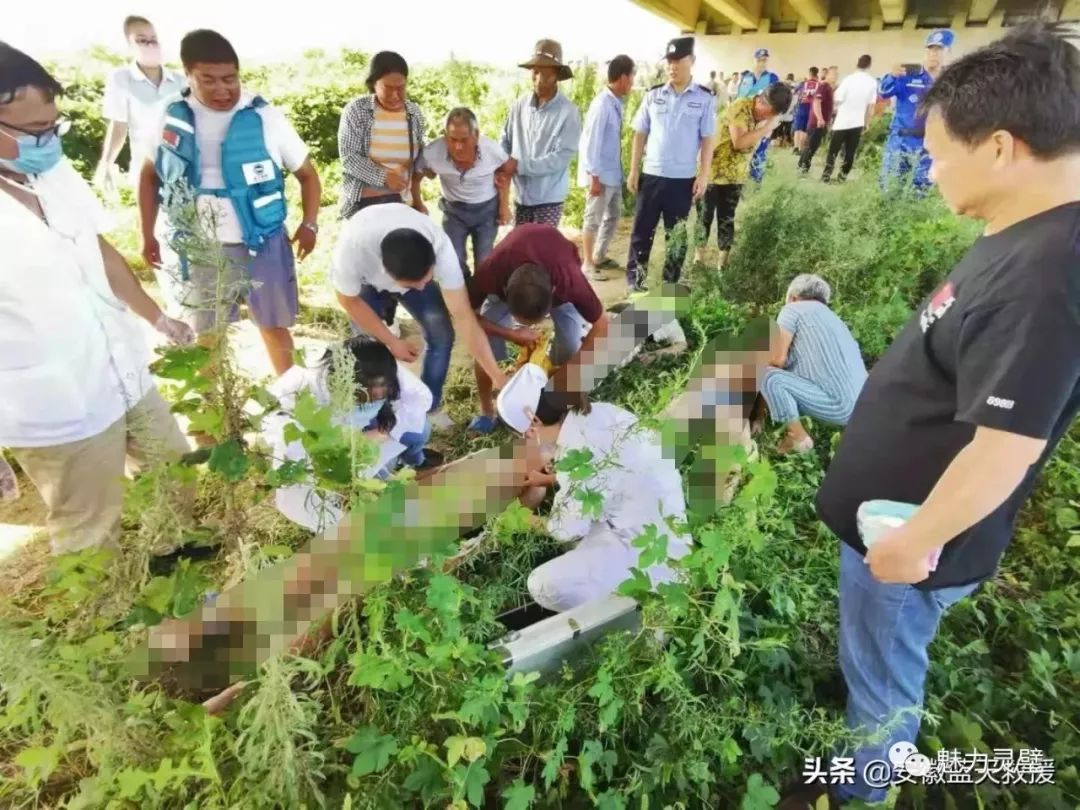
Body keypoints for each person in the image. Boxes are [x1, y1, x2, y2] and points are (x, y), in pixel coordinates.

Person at [784, 23, 1080, 809]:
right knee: (874, 671)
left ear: (1001, 147)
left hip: (906, 547)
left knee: (884, 698)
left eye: (939, 151)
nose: (927, 164)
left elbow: (1006, 448)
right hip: (891, 533)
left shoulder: (1048, 274)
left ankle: (864, 792)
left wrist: (912, 542)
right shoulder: (1019, 234)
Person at [0, 43, 193, 555]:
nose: (49, 141)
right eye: (33, 131)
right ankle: (105, 620)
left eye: (53, 126)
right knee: (90, 524)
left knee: (173, 468)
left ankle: (170, 558)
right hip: (53, 400)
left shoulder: (51, 174)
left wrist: (156, 317)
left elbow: (98, 250)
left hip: (121, 367)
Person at [139, 29, 322, 377]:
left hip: (262, 242)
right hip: (199, 248)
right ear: (187, 74)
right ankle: (216, 420)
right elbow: (149, 176)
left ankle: (294, 400)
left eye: (230, 79)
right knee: (206, 336)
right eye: (208, 80)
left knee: (274, 327)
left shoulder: (265, 116)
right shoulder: (169, 113)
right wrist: (146, 233)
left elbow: (309, 175)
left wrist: (309, 223)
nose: (223, 89)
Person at [499, 383, 692, 613]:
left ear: (536, 422)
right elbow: (606, 475)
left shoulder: (576, 455)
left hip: (647, 552)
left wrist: (521, 519)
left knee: (542, 584)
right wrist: (548, 480)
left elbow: (564, 530)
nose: (528, 439)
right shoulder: (598, 412)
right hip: (661, 524)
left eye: (526, 434)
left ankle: (620, 615)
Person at [330, 202, 508, 426]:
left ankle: (427, 409)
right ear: (387, 274)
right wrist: (392, 341)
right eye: (414, 285)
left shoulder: (440, 246)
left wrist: (496, 375)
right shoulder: (353, 251)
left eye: (428, 278)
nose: (424, 288)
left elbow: (464, 317)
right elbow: (349, 300)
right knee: (370, 352)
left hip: (403, 262)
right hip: (364, 286)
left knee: (442, 335)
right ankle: (376, 420)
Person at [263, 337, 440, 532]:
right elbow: (291, 452)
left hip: (364, 429)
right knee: (345, 501)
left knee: (419, 431)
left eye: (380, 396)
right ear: (341, 384)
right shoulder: (300, 392)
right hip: (322, 447)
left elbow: (420, 399)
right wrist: (336, 454)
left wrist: (381, 432)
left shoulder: (380, 369)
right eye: (363, 397)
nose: (372, 401)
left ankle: (411, 462)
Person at [466, 224, 610, 433]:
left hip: (555, 269)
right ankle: (487, 411)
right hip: (511, 273)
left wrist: (577, 377)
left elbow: (602, 324)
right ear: (504, 290)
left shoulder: (569, 280)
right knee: (485, 346)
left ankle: (554, 396)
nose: (531, 327)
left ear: (554, 292)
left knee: (571, 343)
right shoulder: (491, 271)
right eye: (523, 322)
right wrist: (510, 334)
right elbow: (465, 316)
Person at [338, 51, 428, 337]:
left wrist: (417, 198)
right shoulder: (357, 110)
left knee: (396, 263)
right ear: (373, 84)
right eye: (388, 87)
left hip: (399, 202)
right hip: (364, 201)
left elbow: (415, 160)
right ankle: (364, 330)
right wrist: (382, 176)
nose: (395, 93)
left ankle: (388, 317)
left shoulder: (414, 114)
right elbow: (349, 158)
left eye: (401, 86)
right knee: (366, 266)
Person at [625, 36, 716, 292]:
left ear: (692, 61)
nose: (672, 66)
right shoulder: (653, 96)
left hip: (682, 179)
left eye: (678, 61)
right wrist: (634, 169)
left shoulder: (704, 98)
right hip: (651, 175)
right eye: (669, 61)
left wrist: (704, 174)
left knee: (675, 236)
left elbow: (708, 139)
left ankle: (670, 285)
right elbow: (640, 133)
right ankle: (636, 284)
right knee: (642, 232)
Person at [758, 274, 867, 454]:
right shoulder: (835, 320)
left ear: (792, 298)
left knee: (764, 372)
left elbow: (776, 360)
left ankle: (796, 436)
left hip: (837, 404)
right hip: (862, 408)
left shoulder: (793, 309)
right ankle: (785, 442)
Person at [696, 83, 792, 271]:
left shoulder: (767, 117)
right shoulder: (741, 107)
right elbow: (739, 142)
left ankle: (722, 262)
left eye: (774, 114)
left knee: (727, 218)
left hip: (736, 174)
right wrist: (766, 128)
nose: (770, 116)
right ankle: (698, 258)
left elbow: (754, 146)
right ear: (762, 100)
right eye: (769, 111)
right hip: (712, 170)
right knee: (704, 216)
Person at [416, 107, 514, 279]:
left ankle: (481, 298)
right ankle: (464, 294)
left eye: (464, 139)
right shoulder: (433, 152)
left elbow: (507, 171)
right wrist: (418, 203)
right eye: (452, 139)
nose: (458, 146)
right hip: (454, 212)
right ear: (445, 136)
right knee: (453, 259)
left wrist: (504, 207)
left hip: (486, 212)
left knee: (484, 260)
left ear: (476, 135)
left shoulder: (491, 150)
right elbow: (416, 176)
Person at [94, 15, 186, 192]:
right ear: (130, 45)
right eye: (142, 40)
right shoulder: (121, 78)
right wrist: (106, 164)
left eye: (153, 40)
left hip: (183, 167)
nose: (150, 45)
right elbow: (119, 126)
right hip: (146, 169)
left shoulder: (181, 81)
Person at [502, 39, 581, 226]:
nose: (539, 80)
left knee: (541, 252)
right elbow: (505, 140)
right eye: (536, 73)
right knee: (521, 251)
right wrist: (503, 162)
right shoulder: (519, 105)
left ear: (557, 76)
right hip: (521, 196)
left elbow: (560, 158)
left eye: (546, 75)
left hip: (548, 199)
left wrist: (519, 165)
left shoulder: (568, 112)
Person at [578, 54, 635, 281]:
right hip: (600, 175)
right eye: (631, 77)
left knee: (613, 216)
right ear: (622, 77)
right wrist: (593, 175)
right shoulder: (602, 105)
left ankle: (599, 255)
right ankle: (587, 264)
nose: (632, 82)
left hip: (612, 173)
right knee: (593, 217)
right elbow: (591, 141)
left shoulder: (614, 103)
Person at [878, 29, 953, 193]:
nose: (933, 54)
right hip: (901, 141)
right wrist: (892, 75)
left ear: (948, 52)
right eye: (930, 49)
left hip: (929, 144)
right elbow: (884, 92)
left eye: (939, 49)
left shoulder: (950, 82)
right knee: (890, 187)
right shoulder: (909, 74)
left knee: (921, 190)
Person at [821, 55, 878, 183]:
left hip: (842, 121)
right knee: (850, 152)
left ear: (857, 64)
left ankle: (826, 175)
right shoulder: (872, 82)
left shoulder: (849, 79)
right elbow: (871, 106)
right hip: (858, 122)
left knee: (833, 150)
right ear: (869, 65)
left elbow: (837, 99)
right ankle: (842, 176)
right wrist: (867, 123)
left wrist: (832, 114)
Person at [736, 48, 779, 182]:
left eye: (764, 60)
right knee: (740, 149)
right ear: (754, 60)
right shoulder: (745, 77)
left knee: (759, 151)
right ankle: (738, 181)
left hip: (761, 120)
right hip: (743, 119)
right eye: (759, 59)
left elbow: (776, 103)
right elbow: (738, 98)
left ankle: (755, 182)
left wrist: (770, 125)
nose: (762, 62)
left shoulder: (772, 78)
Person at [797, 66, 837, 174]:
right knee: (811, 146)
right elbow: (816, 102)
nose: (835, 77)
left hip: (820, 122)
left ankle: (801, 165)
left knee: (810, 145)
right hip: (817, 123)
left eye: (836, 74)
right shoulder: (824, 86)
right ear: (827, 75)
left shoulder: (828, 87)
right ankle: (804, 168)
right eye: (833, 74)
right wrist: (820, 118)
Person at [792, 67, 820, 153]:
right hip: (812, 107)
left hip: (801, 106)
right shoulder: (819, 85)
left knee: (798, 128)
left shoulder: (803, 83)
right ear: (817, 74)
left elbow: (794, 91)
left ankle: (795, 147)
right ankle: (801, 149)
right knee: (804, 129)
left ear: (809, 73)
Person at [773, 73, 797, 148]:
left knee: (782, 130)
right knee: (785, 130)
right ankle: (783, 142)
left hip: (785, 116)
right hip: (786, 116)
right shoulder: (794, 96)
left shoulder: (791, 96)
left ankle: (782, 142)